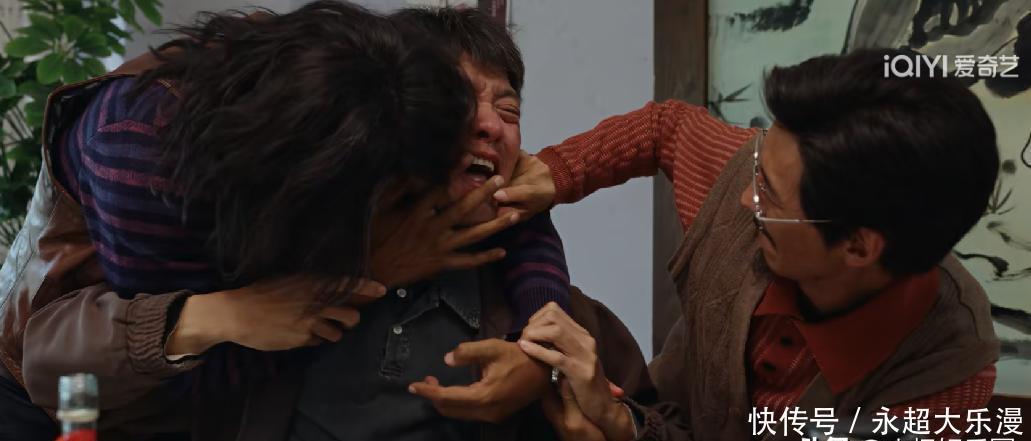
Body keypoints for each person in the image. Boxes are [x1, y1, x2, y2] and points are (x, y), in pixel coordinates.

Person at [0, 2, 574, 439]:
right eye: (465, 109)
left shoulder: (373, 83)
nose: (486, 128)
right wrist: (360, 278)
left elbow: (520, 210)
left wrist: (541, 356)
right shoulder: (144, 160)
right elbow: (179, 381)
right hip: (71, 395)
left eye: (507, 110)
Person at [503, 49, 1000, 440]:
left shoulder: (943, 374)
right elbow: (664, 127)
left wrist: (620, 429)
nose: (745, 197)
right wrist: (556, 172)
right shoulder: (754, 170)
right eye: (758, 167)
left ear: (857, 246)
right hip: (661, 409)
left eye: (768, 195)